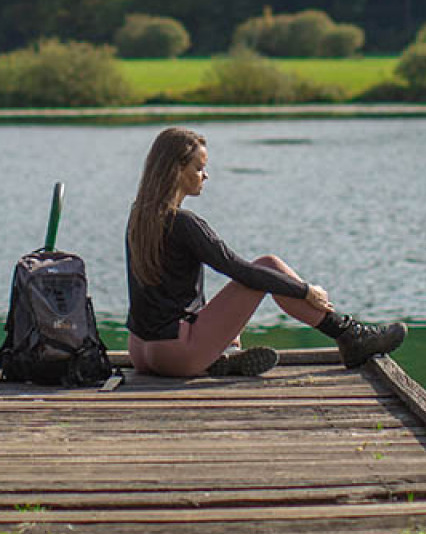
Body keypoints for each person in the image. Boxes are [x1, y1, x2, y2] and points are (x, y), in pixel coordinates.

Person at [124, 127, 406, 378]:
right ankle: (350, 335)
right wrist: (304, 290)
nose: (205, 175)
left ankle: (226, 356)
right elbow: (241, 270)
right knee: (267, 266)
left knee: (228, 312)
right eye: (199, 168)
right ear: (176, 170)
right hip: (179, 355)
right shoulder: (183, 223)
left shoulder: (138, 218)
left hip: (141, 352)